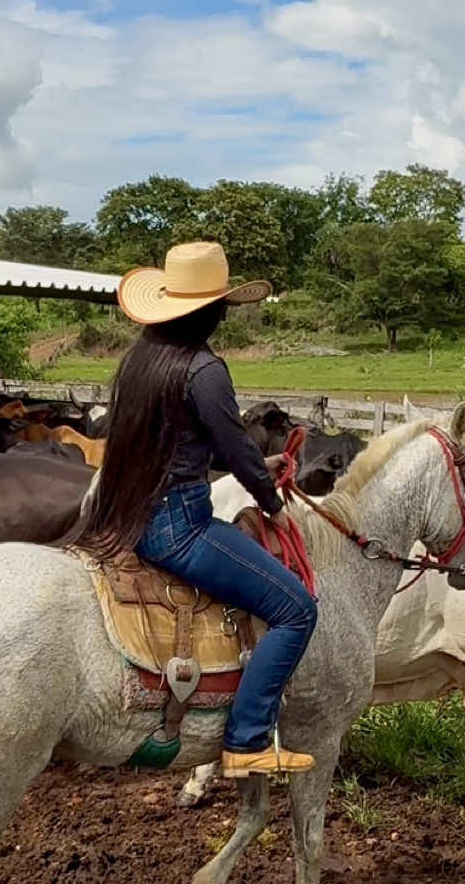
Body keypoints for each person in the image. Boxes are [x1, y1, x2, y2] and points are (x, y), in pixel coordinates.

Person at [72, 240, 318, 778]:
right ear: (211, 312)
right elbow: (231, 444)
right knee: (297, 609)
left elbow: (183, 449)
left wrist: (258, 463)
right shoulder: (204, 369)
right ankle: (248, 739)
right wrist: (272, 503)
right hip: (180, 526)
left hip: (129, 517)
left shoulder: (142, 361)